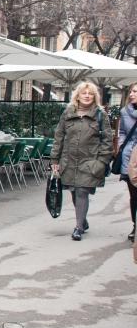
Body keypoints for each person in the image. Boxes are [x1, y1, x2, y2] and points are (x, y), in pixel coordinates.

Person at [50, 81, 113, 241]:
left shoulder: (100, 114)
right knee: (73, 191)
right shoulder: (67, 113)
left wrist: (101, 162)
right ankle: (83, 221)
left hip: (89, 161)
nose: (87, 96)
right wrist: (54, 159)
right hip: (68, 161)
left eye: (90, 93)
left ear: (94, 97)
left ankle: (78, 228)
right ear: (77, 95)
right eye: (84, 93)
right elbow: (58, 137)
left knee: (82, 192)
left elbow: (107, 140)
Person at [118, 82, 137, 243]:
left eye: (135, 92)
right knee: (133, 195)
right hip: (130, 158)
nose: (132, 94)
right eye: (131, 91)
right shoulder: (125, 112)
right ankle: (135, 225)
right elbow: (122, 132)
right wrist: (121, 147)